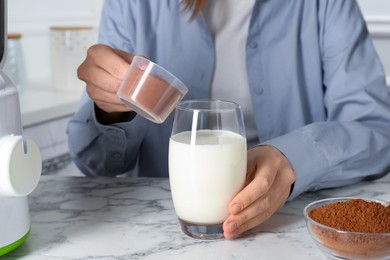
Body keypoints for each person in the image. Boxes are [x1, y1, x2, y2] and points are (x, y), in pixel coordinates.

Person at [67, 0, 390, 239]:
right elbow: (96, 162)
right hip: (158, 232)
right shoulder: (134, 6)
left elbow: (377, 130)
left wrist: (293, 159)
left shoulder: (324, 6)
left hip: (288, 228)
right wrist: (111, 109)